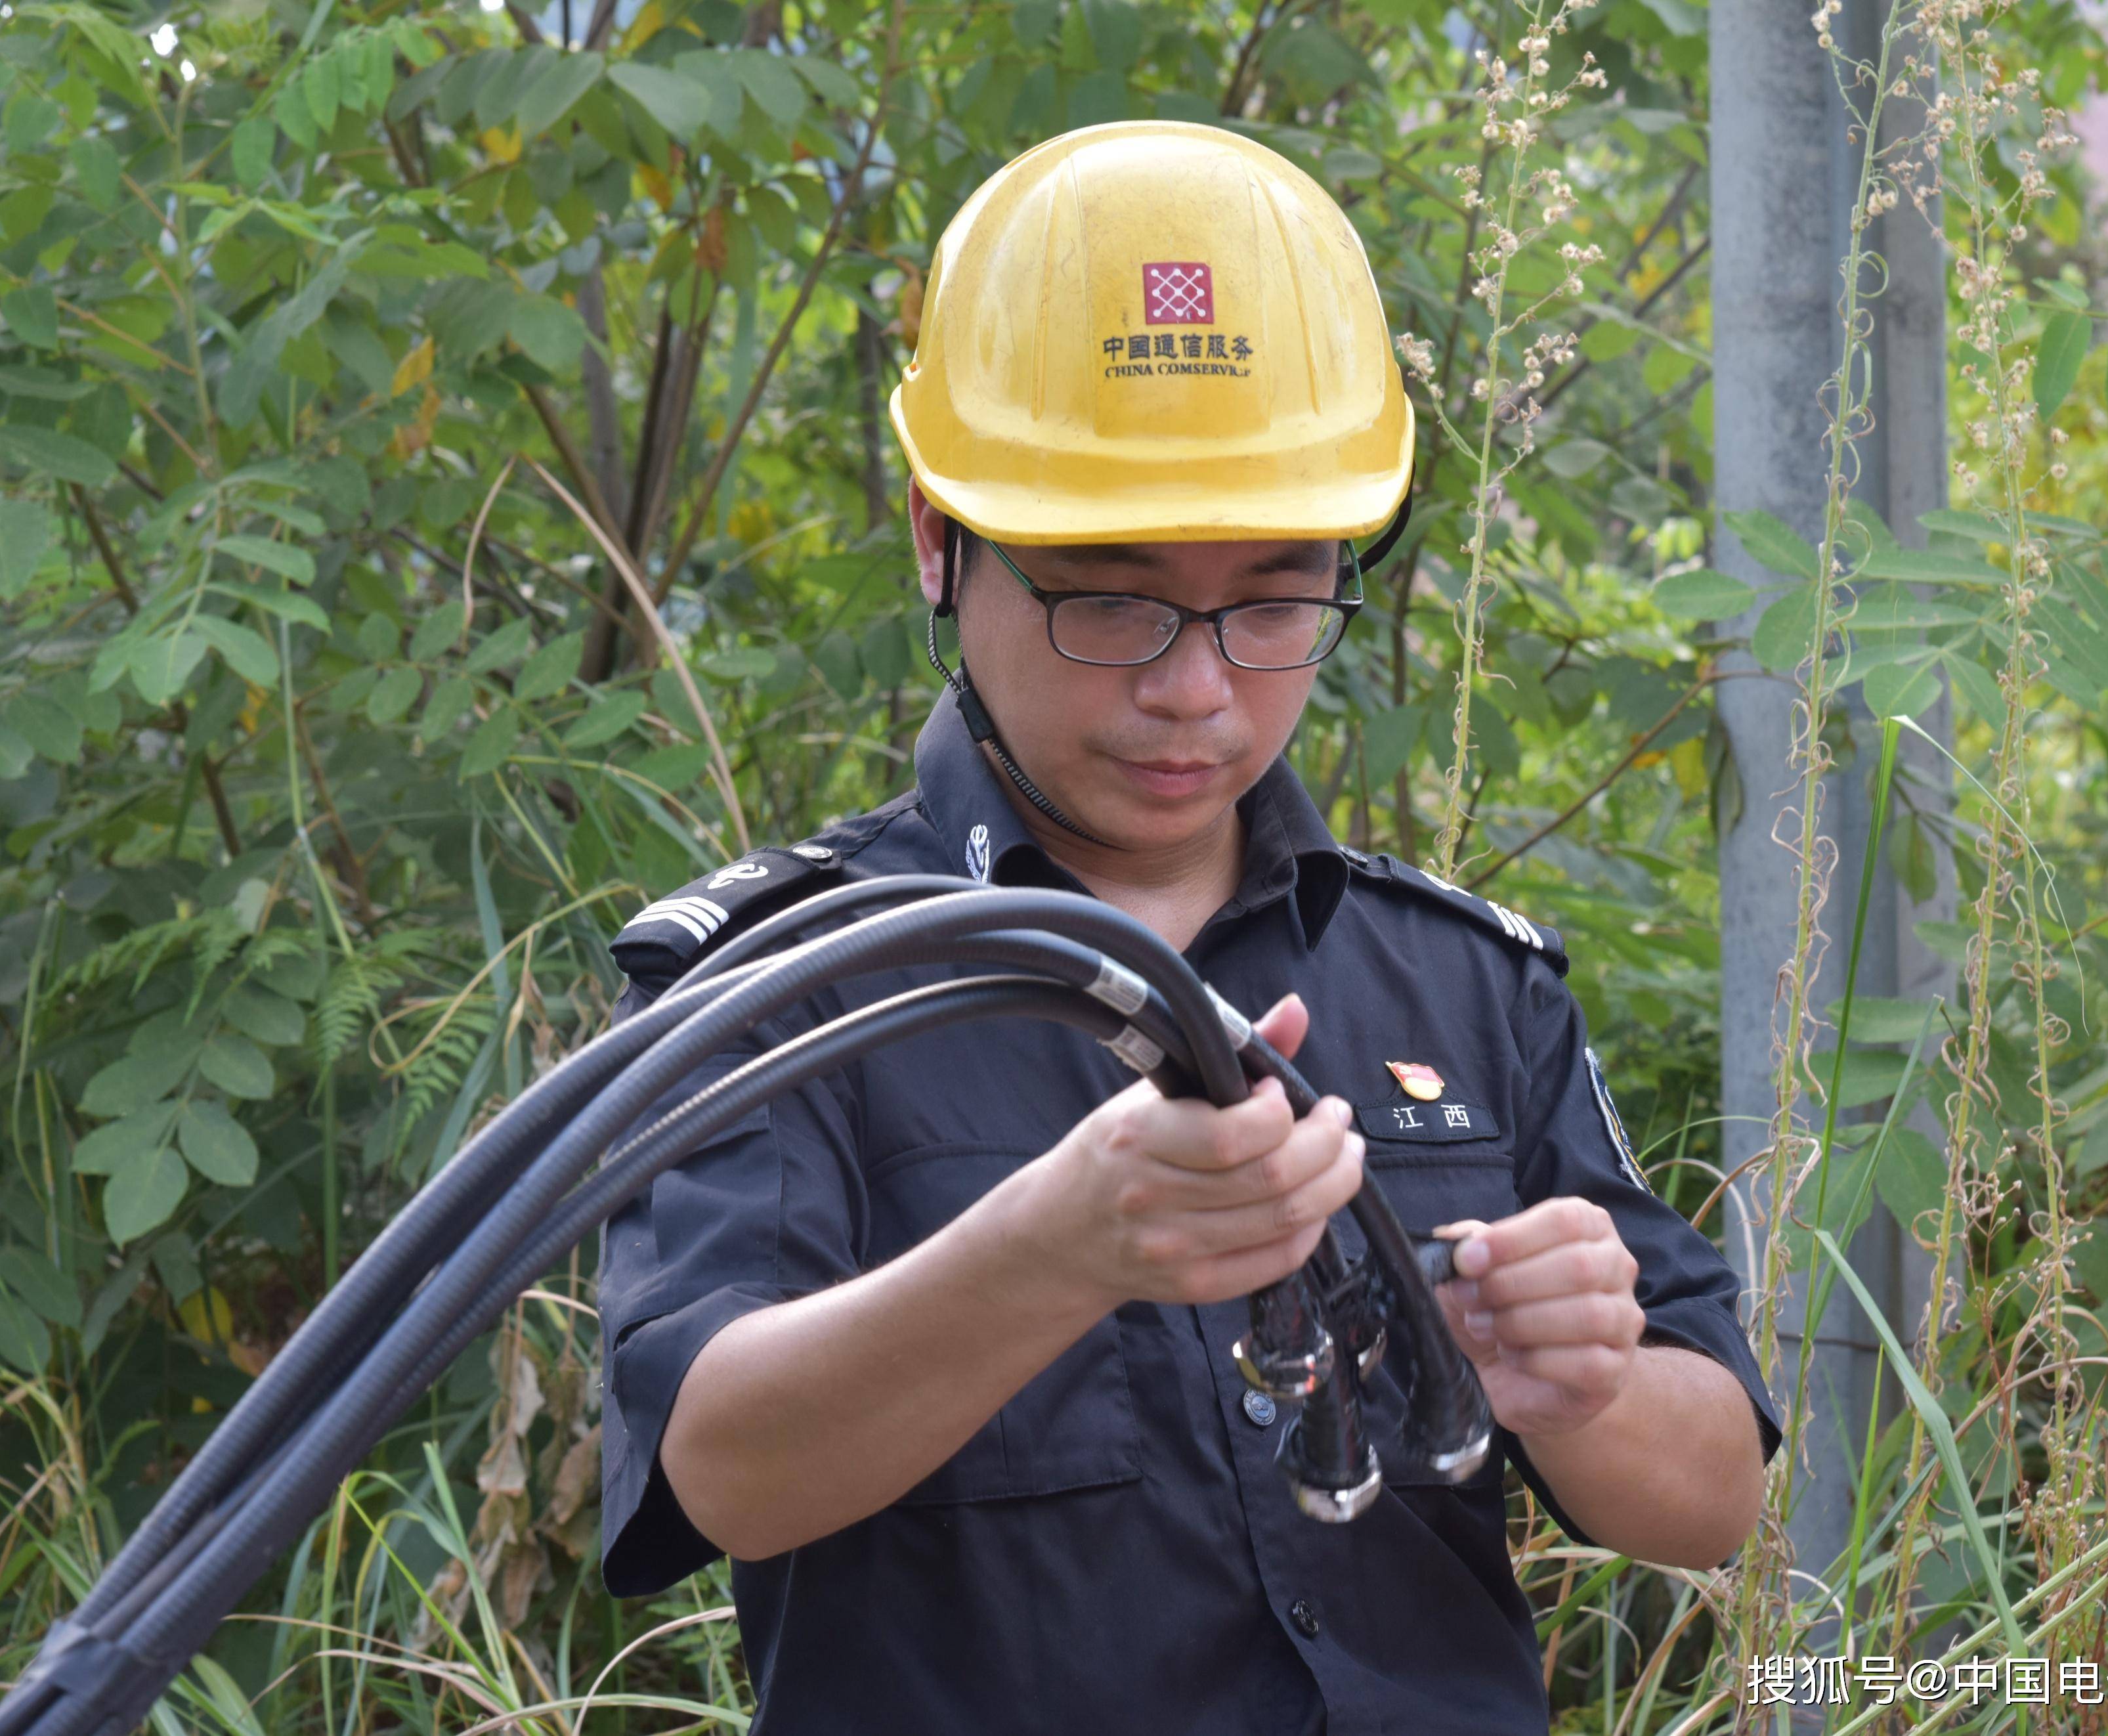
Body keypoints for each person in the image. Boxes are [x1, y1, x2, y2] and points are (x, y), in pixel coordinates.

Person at [594, 119, 1778, 1735]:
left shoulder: (1461, 982)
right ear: (940, 538)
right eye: (1112, 597)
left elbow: (1709, 1491)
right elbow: (721, 1464)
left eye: (1274, 601)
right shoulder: (789, 981)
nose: (1194, 687)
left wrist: (1575, 1385)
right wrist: (1051, 1248)